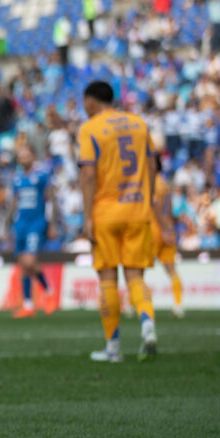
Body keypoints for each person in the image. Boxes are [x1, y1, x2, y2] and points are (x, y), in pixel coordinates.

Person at [77, 81, 157, 364]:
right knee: (135, 277)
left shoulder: (90, 128)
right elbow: (151, 166)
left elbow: (87, 175)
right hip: (137, 209)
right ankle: (147, 324)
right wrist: (148, 202)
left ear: (90, 102)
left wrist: (86, 216)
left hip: (106, 212)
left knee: (108, 279)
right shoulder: (139, 123)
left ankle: (113, 348)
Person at [10, 144, 56, 318]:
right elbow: (14, 202)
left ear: (33, 157)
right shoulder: (17, 179)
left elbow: (50, 200)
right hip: (20, 223)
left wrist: (51, 224)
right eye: (20, 157)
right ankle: (28, 305)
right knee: (23, 265)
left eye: (26, 156)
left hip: (36, 223)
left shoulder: (42, 176)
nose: (23, 159)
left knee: (29, 262)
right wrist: (9, 224)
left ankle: (49, 291)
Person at [150, 155, 183, 318]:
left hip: (154, 230)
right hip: (168, 229)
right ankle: (178, 304)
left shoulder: (152, 183)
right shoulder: (166, 183)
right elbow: (168, 209)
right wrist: (170, 229)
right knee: (171, 269)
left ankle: (131, 303)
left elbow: (155, 207)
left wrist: (163, 228)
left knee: (137, 269)